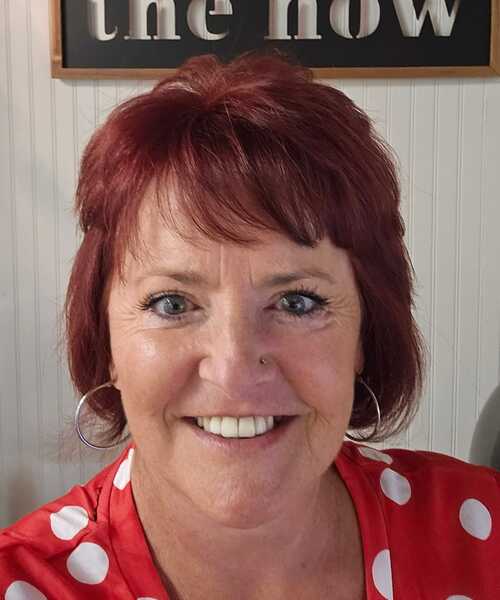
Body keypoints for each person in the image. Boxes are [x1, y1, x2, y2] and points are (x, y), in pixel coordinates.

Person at [0, 51, 498, 600]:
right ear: (108, 343)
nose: (234, 370)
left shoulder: (484, 532)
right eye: (172, 303)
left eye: (298, 303)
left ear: (364, 332)